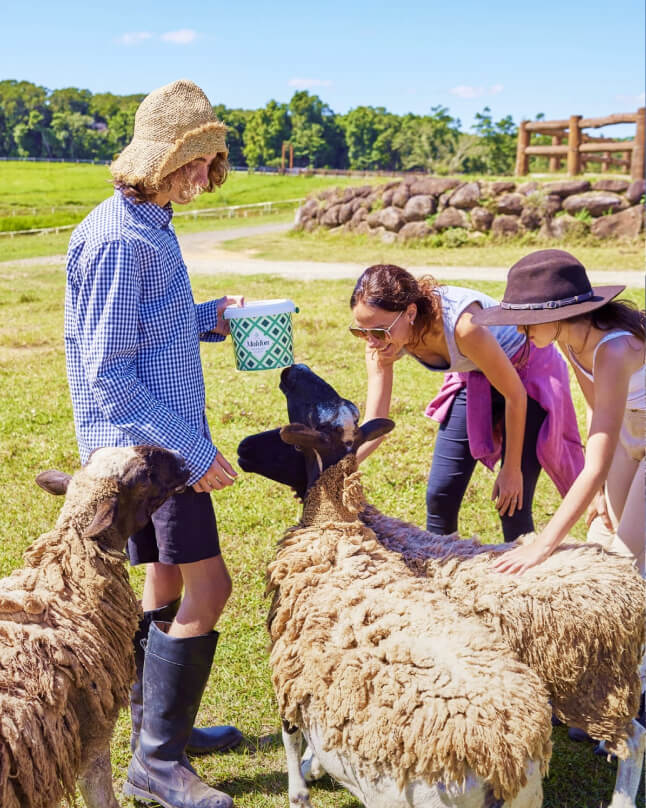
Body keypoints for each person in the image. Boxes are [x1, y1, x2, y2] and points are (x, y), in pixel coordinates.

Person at [65, 79, 242, 808]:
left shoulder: (149, 222)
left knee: (165, 582)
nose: (202, 179)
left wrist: (205, 317)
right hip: (149, 458)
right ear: (157, 158)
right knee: (213, 586)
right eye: (192, 164)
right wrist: (195, 457)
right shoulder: (116, 239)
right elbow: (109, 377)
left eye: (209, 164)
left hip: (160, 448)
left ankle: (158, 730)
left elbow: (144, 330)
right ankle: (157, 764)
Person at [349, 264, 584, 541]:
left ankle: (524, 578)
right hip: (475, 377)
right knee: (440, 495)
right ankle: (443, 571)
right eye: (360, 332)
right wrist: (339, 466)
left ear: (410, 313)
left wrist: (511, 469)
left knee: (512, 503)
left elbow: (515, 395)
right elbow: (376, 424)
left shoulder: (464, 326)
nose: (371, 342)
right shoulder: (380, 339)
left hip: (525, 376)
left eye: (378, 332)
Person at [472, 249, 645, 576]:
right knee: (602, 532)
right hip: (627, 429)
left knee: (626, 559)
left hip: (634, 425)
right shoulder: (570, 340)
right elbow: (595, 407)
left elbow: (595, 465)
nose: (520, 332)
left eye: (525, 322)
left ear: (555, 315)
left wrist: (542, 546)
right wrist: (598, 492)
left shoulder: (615, 349)